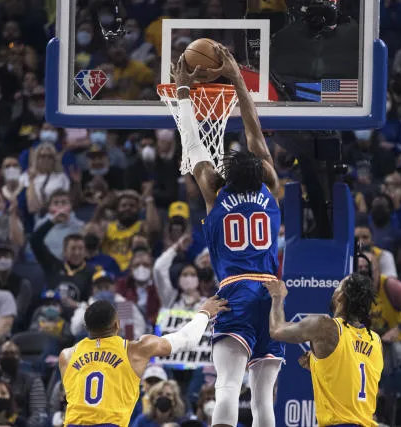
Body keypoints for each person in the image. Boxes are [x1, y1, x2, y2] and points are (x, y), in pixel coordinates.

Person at [172, 44, 282, 427]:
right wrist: (237, 79)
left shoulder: (214, 192)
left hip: (235, 291)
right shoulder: (271, 189)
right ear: (261, 169)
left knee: (228, 387)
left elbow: (194, 144)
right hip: (271, 293)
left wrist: (183, 91)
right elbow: (256, 136)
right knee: (264, 398)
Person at [59, 296, 229, 426]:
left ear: (86, 327)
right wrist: (205, 312)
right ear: (117, 324)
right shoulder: (135, 349)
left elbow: (74, 394)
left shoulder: (66, 356)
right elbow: (186, 339)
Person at [262, 275, 382, 427]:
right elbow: (360, 381)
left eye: (338, 286)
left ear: (341, 297)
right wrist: (319, 367)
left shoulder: (325, 326)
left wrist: (277, 296)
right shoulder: (376, 341)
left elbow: (277, 330)